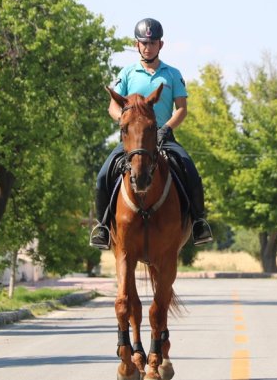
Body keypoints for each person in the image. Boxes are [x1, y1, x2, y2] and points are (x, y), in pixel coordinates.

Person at [89, 17, 213, 249]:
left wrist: (165, 129)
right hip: (133, 140)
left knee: (190, 170)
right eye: (144, 43)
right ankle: (103, 227)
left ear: (160, 45)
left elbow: (182, 109)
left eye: (152, 43)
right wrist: (125, 122)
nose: (148, 47)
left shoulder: (172, 74)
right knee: (102, 175)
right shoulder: (126, 73)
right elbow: (113, 106)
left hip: (163, 138)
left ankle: (198, 223)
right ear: (137, 45)